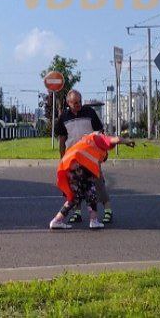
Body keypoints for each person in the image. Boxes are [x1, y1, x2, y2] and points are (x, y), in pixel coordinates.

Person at [49, 131, 134, 230]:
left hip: (69, 165)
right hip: (81, 167)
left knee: (74, 197)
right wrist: (127, 141)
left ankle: (56, 220)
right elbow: (117, 139)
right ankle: (93, 221)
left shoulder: (88, 138)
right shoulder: (101, 137)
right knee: (91, 193)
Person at [55, 90, 113, 224]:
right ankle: (77, 213)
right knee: (75, 186)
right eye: (75, 103)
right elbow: (62, 140)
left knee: (98, 183)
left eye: (80, 101)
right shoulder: (64, 117)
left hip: (90, 155)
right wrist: (62, 159)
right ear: (68, 103)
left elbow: (100, 134)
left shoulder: (89, 113)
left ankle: (108, 211)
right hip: (73, 158)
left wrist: (104, 152)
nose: (78, 104)